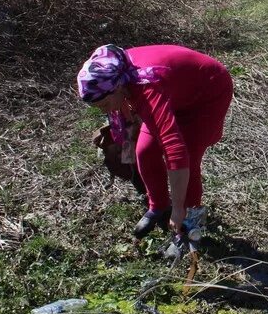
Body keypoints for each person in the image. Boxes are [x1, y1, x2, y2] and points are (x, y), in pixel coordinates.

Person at [77, 44, 233, 238]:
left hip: (208, 92)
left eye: (105, 104)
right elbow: (128, 130)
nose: (104, 111)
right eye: (98, 107)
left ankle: (189, 224)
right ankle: (159, 205)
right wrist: (127, 156)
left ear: (117, 88)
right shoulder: (119, 75)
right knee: (145, 151)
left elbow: (174, 150)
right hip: (176, 91)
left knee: (189, 159)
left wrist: (178, 210)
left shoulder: (146, 88)